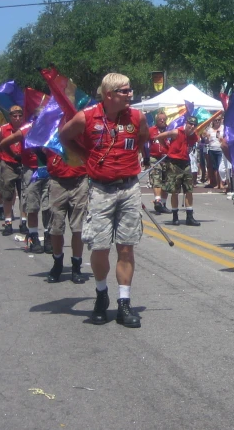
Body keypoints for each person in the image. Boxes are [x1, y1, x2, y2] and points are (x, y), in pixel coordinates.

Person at [60, 73, 149, 328]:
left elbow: (142, 138)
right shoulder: (85, 117)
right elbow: (64, 138)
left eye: (130, 90)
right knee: (99, 247)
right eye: (125, 91)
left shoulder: (137, 117)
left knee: (125, 247)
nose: (130, 94)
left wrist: (128, 159)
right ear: (109, 94)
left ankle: (124, 302)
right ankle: (101, 294)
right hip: (100, 190)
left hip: (129, 188)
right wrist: (86, 159)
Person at [0, 118, 51, 253]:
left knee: (48, 206)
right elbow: (3, 143)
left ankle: (48, 235)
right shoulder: (25, 130)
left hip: (48, 171)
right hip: (31, 171)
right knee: (32, 205)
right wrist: (16, 157)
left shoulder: (51, 129)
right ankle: (33, 236)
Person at [45, 152, 89, 284]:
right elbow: (40, 151)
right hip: (57, 181)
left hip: (80, 181)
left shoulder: (80, 130)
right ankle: (57, 263)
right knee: (56, 227)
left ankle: (76, 266)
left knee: (78, 227)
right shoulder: (50, 132)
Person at [153, 116, 202, 226]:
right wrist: (166, 148)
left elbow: (194, 143)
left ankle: (190, 216)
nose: (192, 126)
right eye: (190, 124)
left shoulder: (194, 136)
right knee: (174, 191)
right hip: (174, 163)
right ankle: (175, 216)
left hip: (186, 164)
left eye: (194, 125)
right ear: (186, 123)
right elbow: (159, 136)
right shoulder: (176, 132)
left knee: (189, 190)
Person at [0, 105, 26, 236]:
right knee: (7, 194)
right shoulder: (3, 130)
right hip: (8, 164)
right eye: (14, 116)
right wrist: (3, 154)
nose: (17, 118)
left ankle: (23, 221)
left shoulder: (26, 128)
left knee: (24, 194)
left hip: (23, 164)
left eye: (20, 115)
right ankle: (8, 221)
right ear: (10, 117)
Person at [147, 111, 172, 214]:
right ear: (156, 120)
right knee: (156, 179)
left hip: (167, 158)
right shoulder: (151, 130)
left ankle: (163, 204)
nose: (162, 121)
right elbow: (144, 143)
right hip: (155, 158)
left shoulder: (171, 130)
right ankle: (157, 201)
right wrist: (145, 157)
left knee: (166, 181)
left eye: (163, 119)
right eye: (159, 119)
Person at [205, 118, 225, 189]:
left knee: (220, 167)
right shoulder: (210, 130)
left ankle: (222, 183)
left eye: (218, 120)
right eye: (216, 120)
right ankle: (218, 183)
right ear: (213, 121)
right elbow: (207, 142)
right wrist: (207, 138)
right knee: (215, 167)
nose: (217, 121)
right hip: (212, 149)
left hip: (220, 149)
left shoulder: (223, 128)